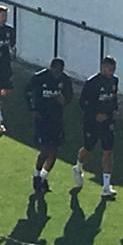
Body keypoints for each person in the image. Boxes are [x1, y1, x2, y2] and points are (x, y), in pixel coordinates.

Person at [72, 56, 119, 198]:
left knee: (108, 151)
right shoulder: (92, 83)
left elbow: (113, 97)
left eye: (113, 70)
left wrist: (113, 109)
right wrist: (95, 115)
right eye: (109, 69)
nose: (111, 72)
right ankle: (78, 166)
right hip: (92, 122)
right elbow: (83, 103)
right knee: (88, 148)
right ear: (102, 67)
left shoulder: (114, 81)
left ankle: (106, 186)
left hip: (108, 121)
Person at [25, 58, 73, 193]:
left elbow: (69, 97)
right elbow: (28, 92)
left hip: (56, 119)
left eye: (60, 71)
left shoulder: (65, 80)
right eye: (56, 70)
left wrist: (64, 100)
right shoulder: (39, 78)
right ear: (51, 68)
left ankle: (43, 177)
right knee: (45, 150)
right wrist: (33, 109)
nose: (58, 74)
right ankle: (36, 174)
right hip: (42, 119)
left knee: (54, 152)